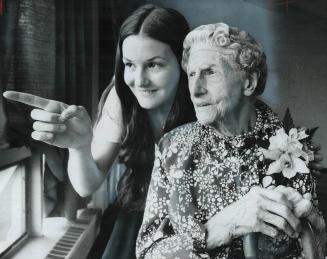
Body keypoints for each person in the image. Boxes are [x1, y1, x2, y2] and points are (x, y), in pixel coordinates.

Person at [3, 4, 195, 259]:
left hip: (198, 220)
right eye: (129, 64)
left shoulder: (206, 95)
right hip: (138, 217)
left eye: (154, 65)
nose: (138, 80)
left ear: (182, 61)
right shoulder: (122, 96)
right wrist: (79, 145)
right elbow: (87, 185)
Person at [136, 23, 326, 258]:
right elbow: (148, 254)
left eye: (210, 72)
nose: (195, 90)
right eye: (192, 74)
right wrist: (223, 225)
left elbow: (310, 246)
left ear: (249, 82)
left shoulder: (293, 149)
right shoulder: (173, 148)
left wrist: (318, 233)